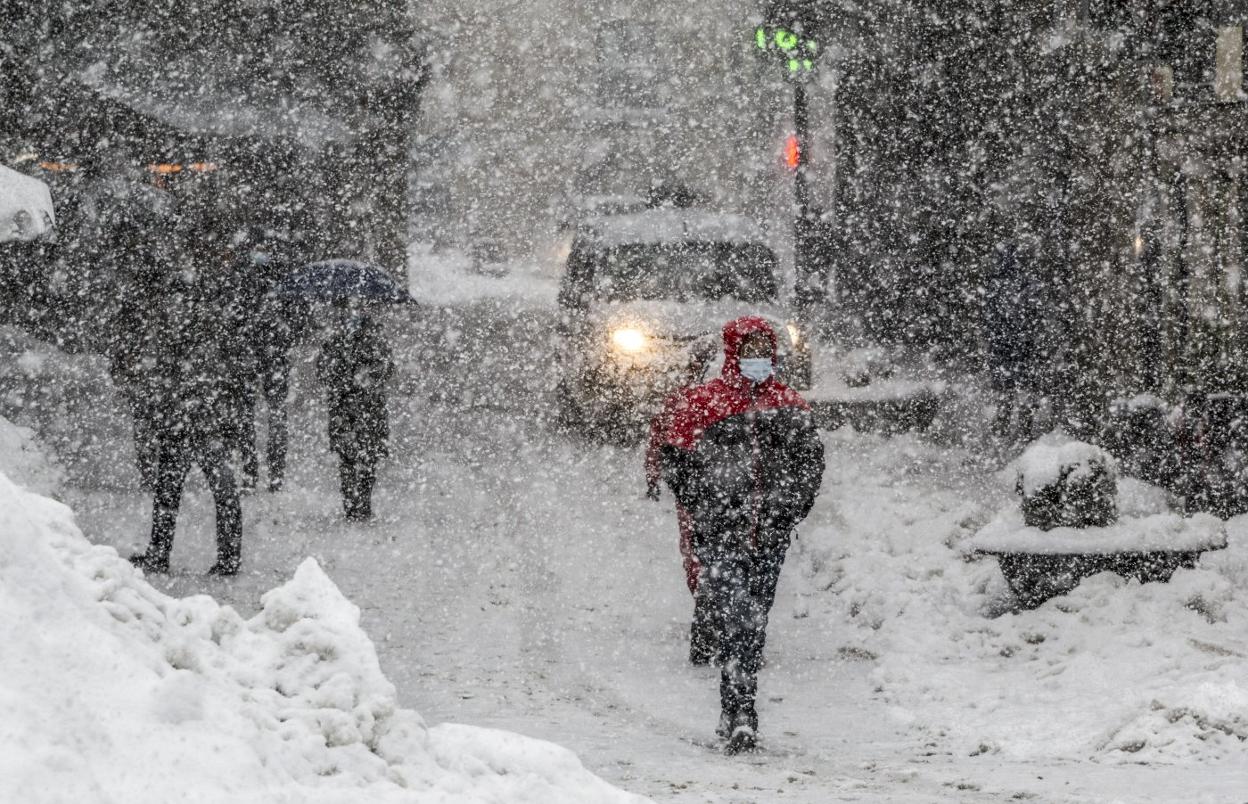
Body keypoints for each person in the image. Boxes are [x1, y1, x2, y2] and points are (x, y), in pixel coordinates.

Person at [656, 316, 824, 754]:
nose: (757, 360)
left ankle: (737, 707)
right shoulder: (703, 404)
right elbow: (676, 458)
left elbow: (809, 466)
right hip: (719, 532)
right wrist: (706, 504)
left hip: (768, 534)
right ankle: (741, 709)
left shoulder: (790, 406)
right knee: (738, 616)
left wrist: (786, 511)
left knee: (755, 618)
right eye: (748, 352)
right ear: (732, 353)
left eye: (763, 351)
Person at [128, 232, 249, 576]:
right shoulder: (194, 325)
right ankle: (170, 553)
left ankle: (219, 557)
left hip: (199, 418)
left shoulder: (201, 325)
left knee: (212, 490)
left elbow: (224, 370)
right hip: (193, 418)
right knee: (179, 490)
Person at [645, 339, 718, 665]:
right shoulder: (684, 401)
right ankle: (712, 612)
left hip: (714, 490)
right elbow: (662, 440)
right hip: (699, 490)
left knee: (702, 557)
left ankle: (715, 612)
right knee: (699, 556)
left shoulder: (688, 401)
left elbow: (660, 441)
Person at [316, 301, 395, 520]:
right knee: (350, 458)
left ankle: (361, 503)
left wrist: (368, 374)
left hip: (365, 407)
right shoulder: (336, 340)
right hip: (349, 407)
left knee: (365, 458)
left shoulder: (372, 339)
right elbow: (323, 372)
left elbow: (388, 369)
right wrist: (346, 378)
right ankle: (353, 504)